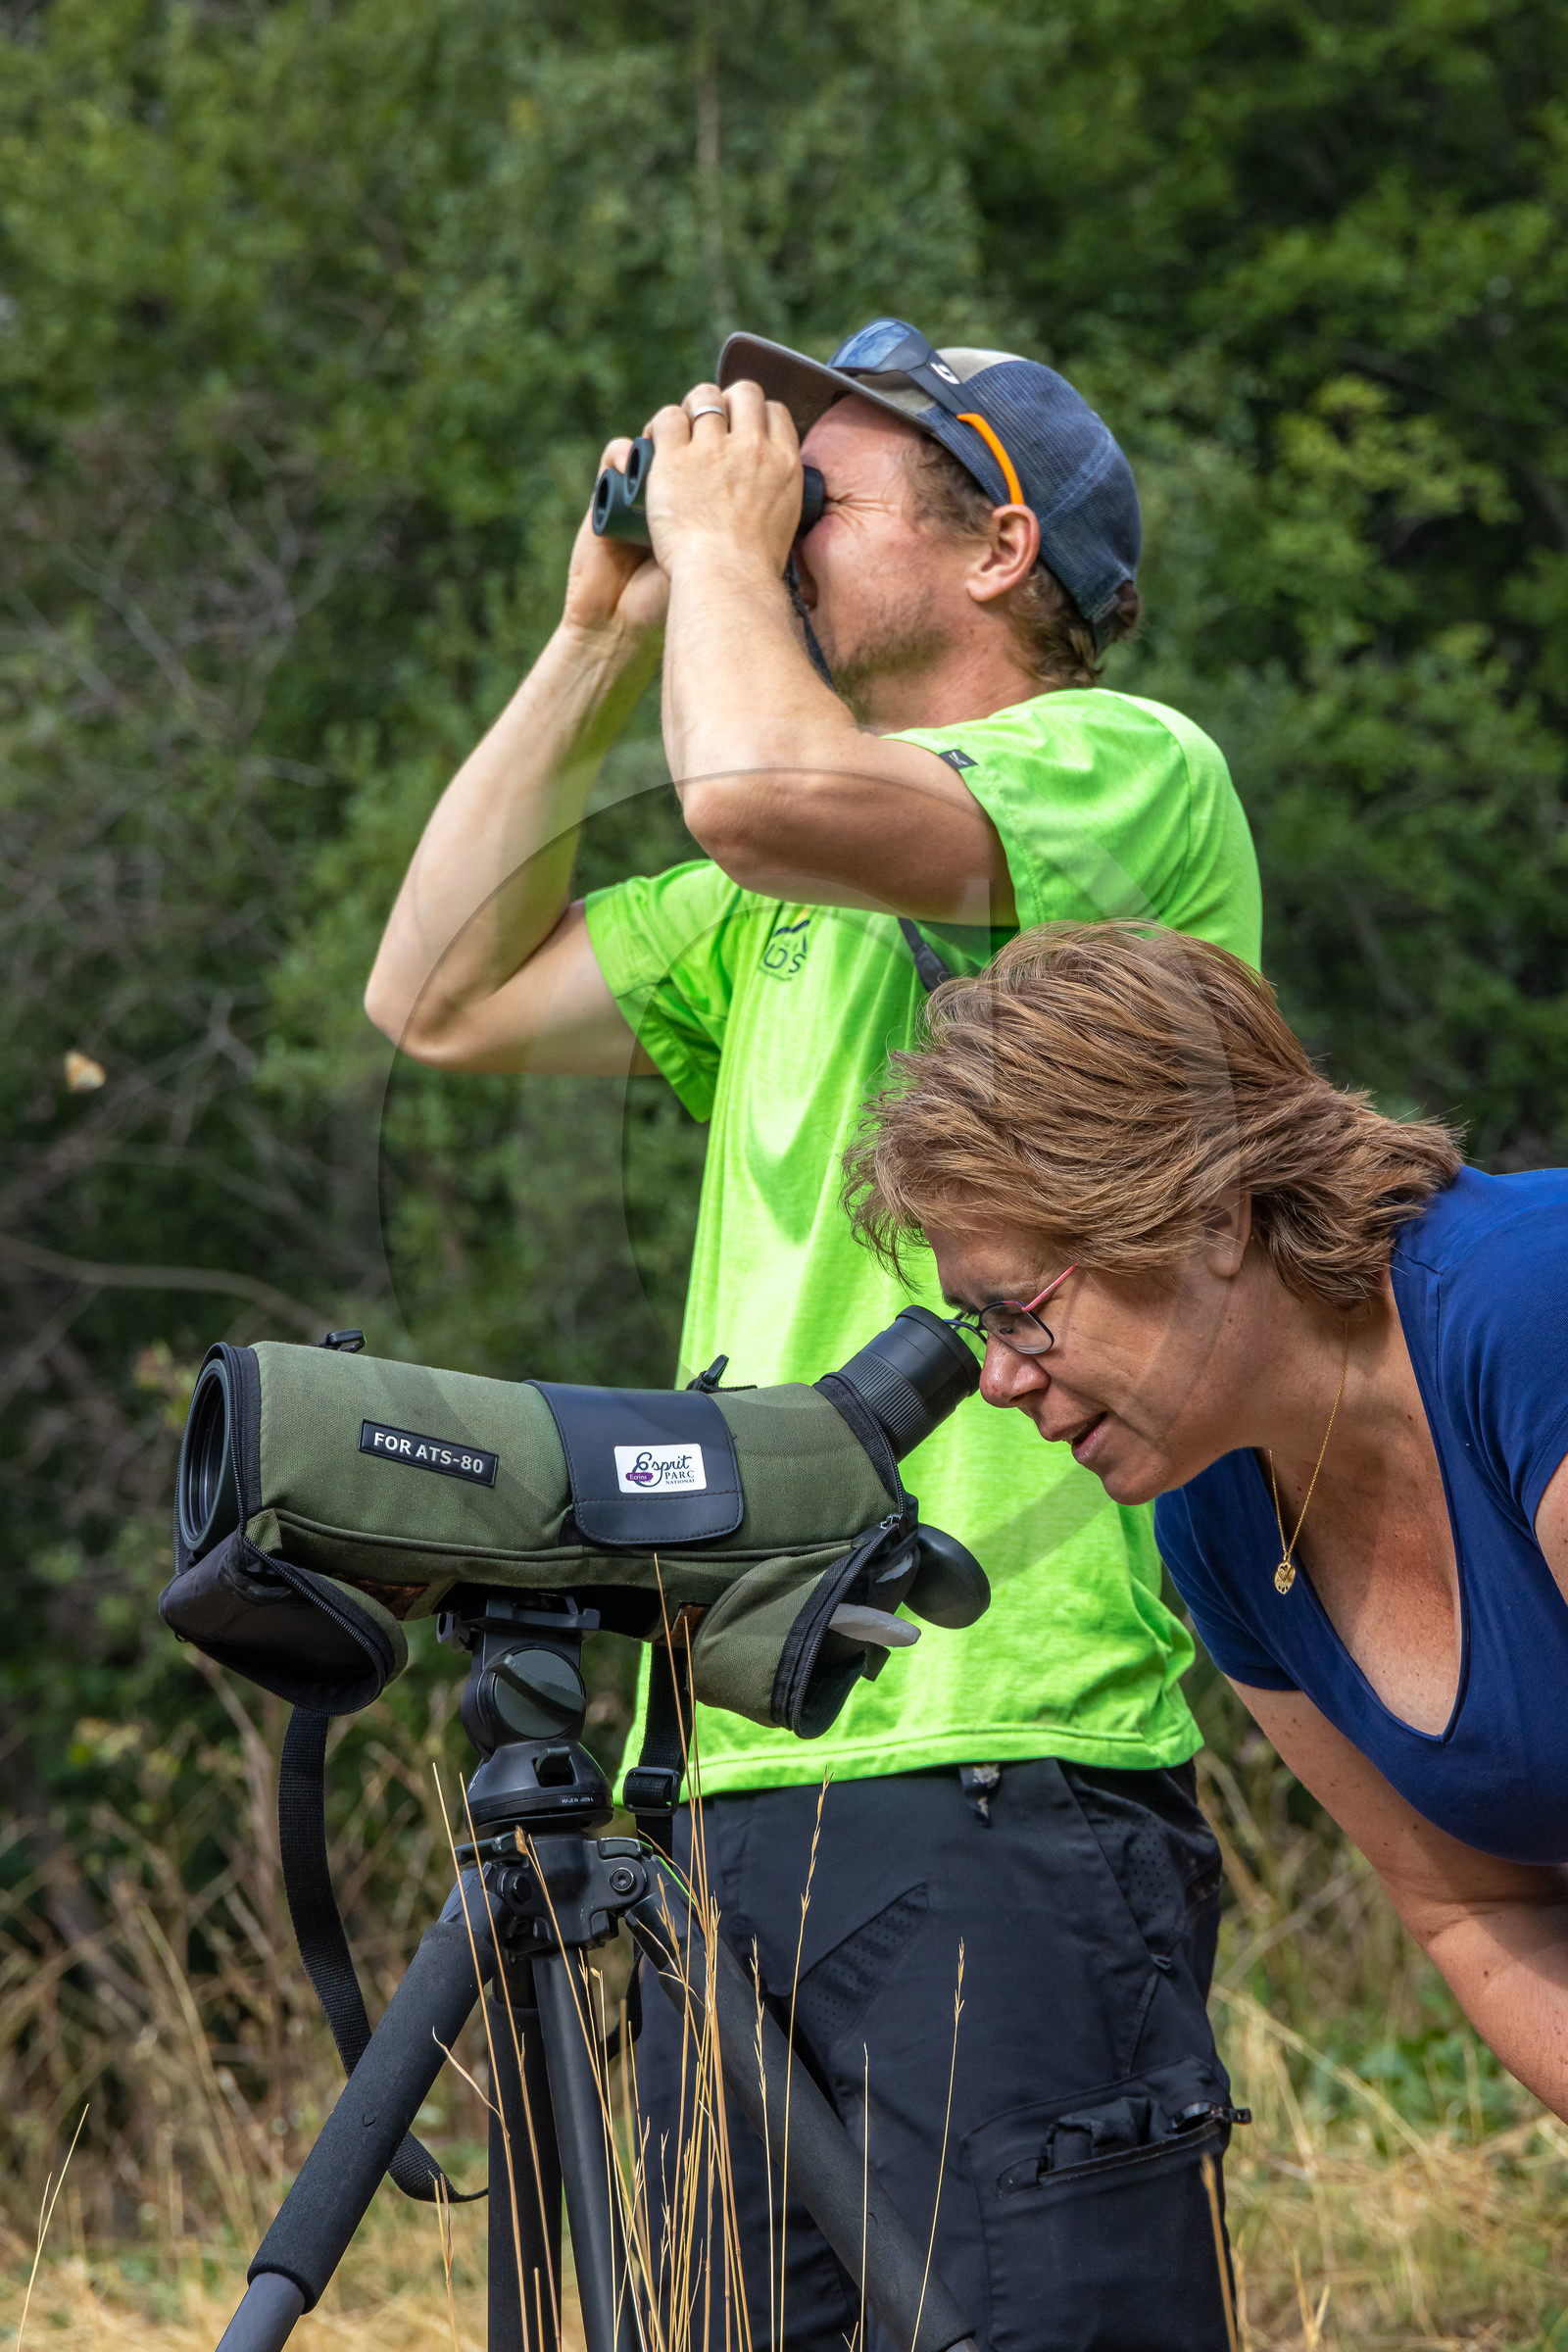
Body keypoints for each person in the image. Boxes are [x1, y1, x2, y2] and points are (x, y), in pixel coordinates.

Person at [366, 320, 1261, 2345]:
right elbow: (433, 989)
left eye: (815, 491)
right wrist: (605, 621)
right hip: (730, 1783)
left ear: (992, 545)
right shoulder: (771, 900)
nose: (763, 514)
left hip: (999, 1763)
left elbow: (769, 788)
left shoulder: (1123, 774)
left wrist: (704, 536)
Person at [847, 917, 1568, 2124]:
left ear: (1214, 1214)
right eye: (982, 1330)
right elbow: (1478, 1912)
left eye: (1019, 1309)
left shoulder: (1528, 1309)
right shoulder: (1220, 1519)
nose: (998, 1381)